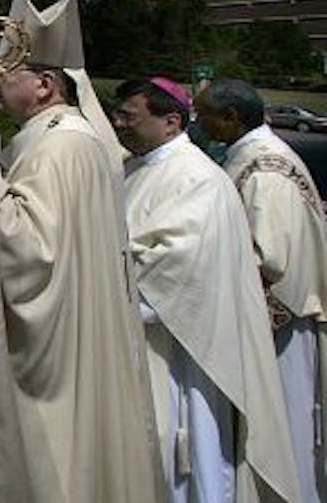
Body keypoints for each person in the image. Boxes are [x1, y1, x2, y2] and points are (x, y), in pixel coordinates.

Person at [0, 0, 164, 502]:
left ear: (45, 83)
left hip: (53, 353)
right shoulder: (57, 139)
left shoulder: (61, 146)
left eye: (8, 69)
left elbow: (29, 252)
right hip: (71, 331)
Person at [113, 77, 299, 502]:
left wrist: (99, 280)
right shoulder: (135, 166)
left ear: (171, 121)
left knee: (181, 460)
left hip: (180, 350)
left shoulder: (196, 178)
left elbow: (181, 269)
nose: (118, 123)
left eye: (129, 115)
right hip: (138, 344)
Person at [197, 78, 327, 503]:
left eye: (206, 115)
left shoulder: (266, 170)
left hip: (282, 321)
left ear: (232, 118)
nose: (199, 123)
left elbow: (269, 257)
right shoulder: (254, 157)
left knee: (281, 432)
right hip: (276, 318)